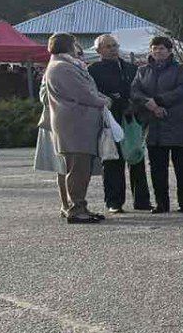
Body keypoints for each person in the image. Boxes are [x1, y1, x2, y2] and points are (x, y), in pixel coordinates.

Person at [42, 33, 109, 222]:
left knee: (79, 167)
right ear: (69, 46)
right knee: (78, 168)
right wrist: (104, 101)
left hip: (78, 124)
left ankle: (78, 206)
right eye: (75, 44)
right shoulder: (62, 67)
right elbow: (82, 94)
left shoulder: (65, 65)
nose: (78, 47)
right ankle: (76, 209)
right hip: (74, 126)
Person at [131, 34, 183, 213]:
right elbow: (135, 91)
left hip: (177, 123)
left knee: (182, 166)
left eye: (161, 48)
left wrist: (159, 101)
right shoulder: (143, 71)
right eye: (154, 48)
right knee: (157, 167)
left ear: (169, 51)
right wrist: (149, 104)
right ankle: (162, 202)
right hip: (154, 126)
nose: (158, 51)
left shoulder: (180, 69)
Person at [87, 33, 151, 213]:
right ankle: (114, 202)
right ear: (99, 50)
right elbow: (94, 93)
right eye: (108, 46)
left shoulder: (131, 68)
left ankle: (142, 201)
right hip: (110, 120)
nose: (113, 49)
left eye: (115, 45)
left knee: (136, 157)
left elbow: (139, 90)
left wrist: (135, 105)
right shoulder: (93, 70)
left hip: (132, 119)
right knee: (113, 161)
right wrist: (114, 100)